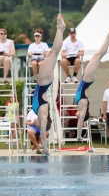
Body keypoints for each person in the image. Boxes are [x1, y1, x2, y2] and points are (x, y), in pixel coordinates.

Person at [32, 14, 66, 155]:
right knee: (53, 52)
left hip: (44, 80)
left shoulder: (38, 112)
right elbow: (44, 130)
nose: (36, 126)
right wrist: (45, 149)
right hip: (44, 81)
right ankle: (60, 28)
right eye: (39, 126)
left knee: (54, 52)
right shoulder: (43, 114)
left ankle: (60, 29)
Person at [74, 27, 109, 141]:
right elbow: (80, 122)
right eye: (79, 117)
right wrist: (78, 136)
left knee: (97, 55)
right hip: (87, 79)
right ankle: (108, 38)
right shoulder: (83, 107)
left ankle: (108, 38)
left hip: (86, 79)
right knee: (98, 55)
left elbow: (84, 91)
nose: (76, 116)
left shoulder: (79, 104)